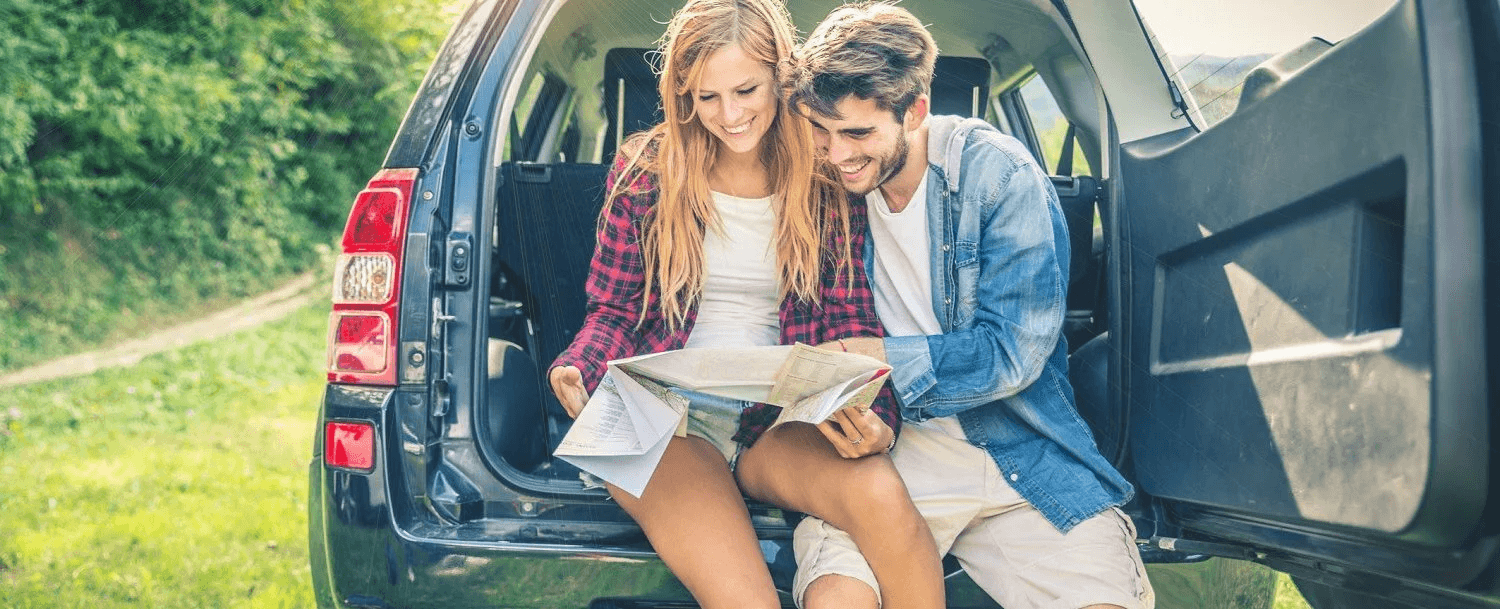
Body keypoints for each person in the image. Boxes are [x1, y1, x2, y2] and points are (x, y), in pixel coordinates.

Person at [547, 1, 944, 608]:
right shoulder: (647, 171)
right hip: (664, 421)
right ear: (684, 95)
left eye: (746, 90)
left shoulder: (825, 172)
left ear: (782, 75)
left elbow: (850, 318)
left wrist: (875, 412)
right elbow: (614, 311)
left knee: (884, 500)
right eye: (706, 98)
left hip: (780, 416)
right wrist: (579, 368)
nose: (729, 116)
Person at [783, 3, 1156, 609]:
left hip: (1021, 449)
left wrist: (878, 358)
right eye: (820, 133)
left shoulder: (1001, 178)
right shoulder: (824, 187)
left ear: (917, 110)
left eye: (857, 133)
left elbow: (1014, 353)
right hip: (890, 451)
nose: (835, 155)